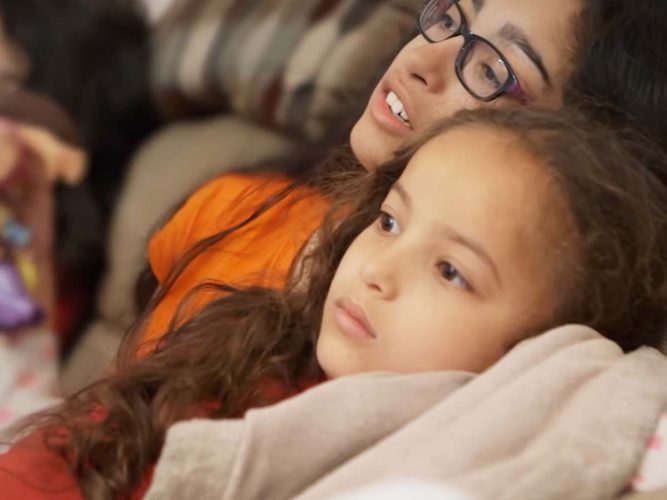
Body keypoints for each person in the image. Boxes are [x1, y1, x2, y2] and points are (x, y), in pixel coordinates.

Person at [2, 106, 667, 498]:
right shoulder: (248, 343)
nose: (379, 269)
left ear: (540, 356)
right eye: (389, 222)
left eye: (449, 271)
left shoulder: (470, 454)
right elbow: (59, 458)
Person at [132, 0, 667, 352]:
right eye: (452, 18)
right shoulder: (234, 207)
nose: (421, 59)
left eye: (490, 69)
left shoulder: (495, 364)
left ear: (591, 163)